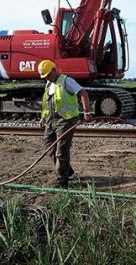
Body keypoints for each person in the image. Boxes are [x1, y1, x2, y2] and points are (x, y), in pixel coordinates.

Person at [38, 59, 90, 188]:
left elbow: (82, 92)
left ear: (54, 70)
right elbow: (47, 102)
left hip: (66, 120)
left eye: (49, 75)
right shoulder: (48, 84)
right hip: (51, 119)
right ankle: (66, 169)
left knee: (61, 150)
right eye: (45, 76)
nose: (48, 78)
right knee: (48, 145)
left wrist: (86, 111)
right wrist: (43, 117)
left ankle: (62, 179)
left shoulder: (66, 81)